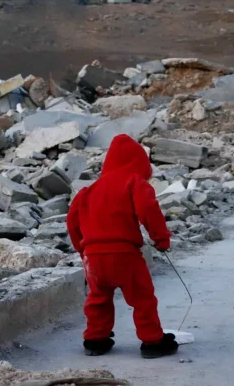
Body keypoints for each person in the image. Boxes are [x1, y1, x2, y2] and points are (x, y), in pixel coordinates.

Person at [67, 134, 178, 359]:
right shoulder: (134, 182)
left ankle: (95, 339)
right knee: (142, 298)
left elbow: (72, 221)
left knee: (98, 299)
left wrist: (83, 251)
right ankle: (152, 341)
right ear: (139, 164)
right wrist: (161, 239)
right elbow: (148, 208)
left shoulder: (88, 191)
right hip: (125, 255)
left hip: (94, 258)